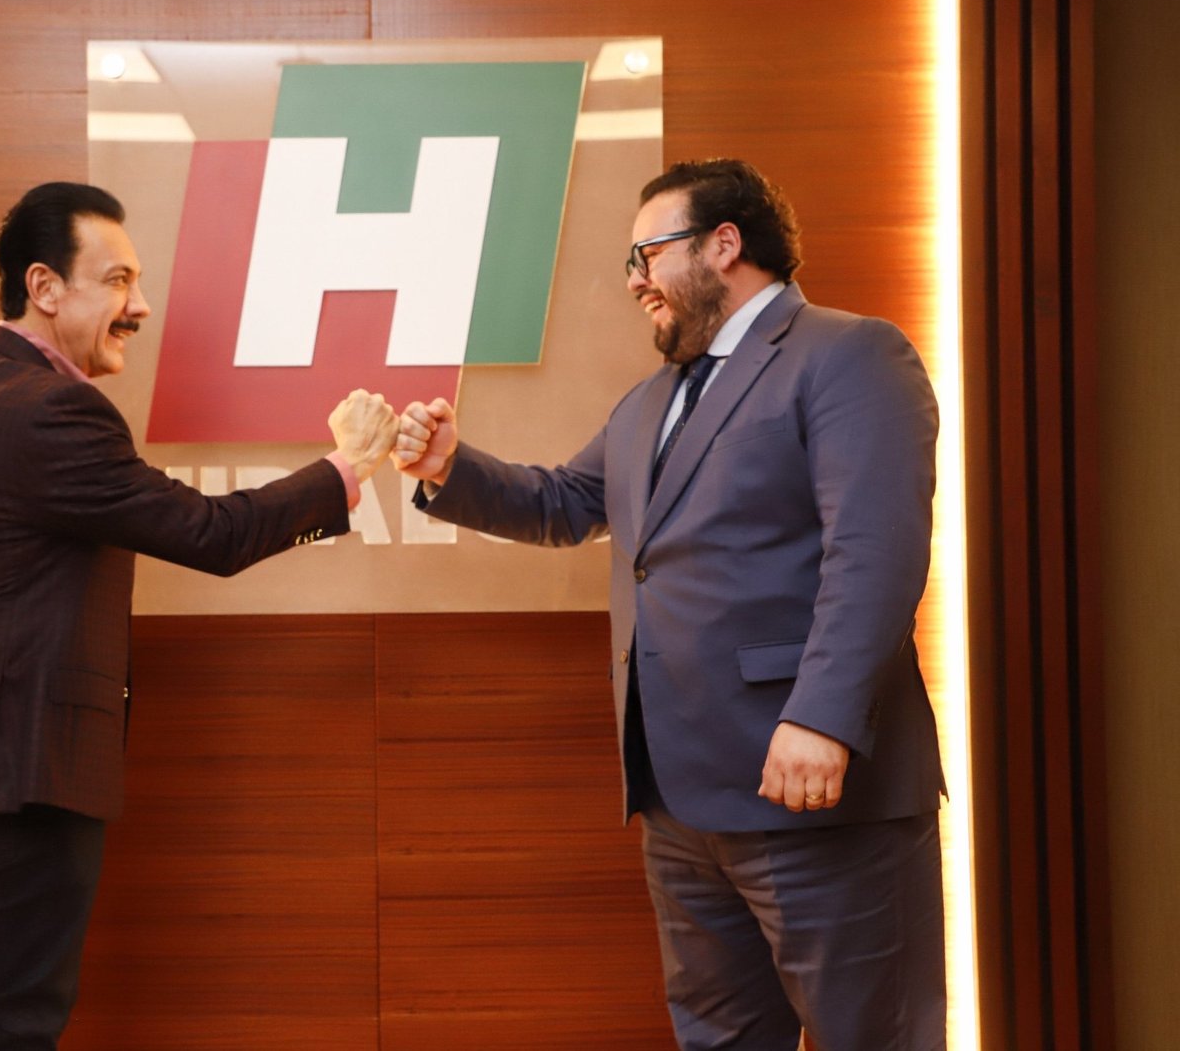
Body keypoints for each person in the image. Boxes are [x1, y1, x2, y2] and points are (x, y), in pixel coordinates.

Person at [392, 158, 947, 1050]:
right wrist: (447, 468)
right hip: (682, 807)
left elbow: (874, 554)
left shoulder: (849, 354)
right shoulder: (654, 398)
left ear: (724, 244)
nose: (634, 281)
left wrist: (822, 718)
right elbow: (565, 503)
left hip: (815, 788)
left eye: (646, 254)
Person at [0, 181, 397, 1050]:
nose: (139, 306)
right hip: (24, 763)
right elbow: (212, 533)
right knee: (13, 1023)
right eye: (117, 281)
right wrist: (346, 467)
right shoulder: (46, 409)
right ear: (44, 287)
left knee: (9, 1013)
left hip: (1, 754)